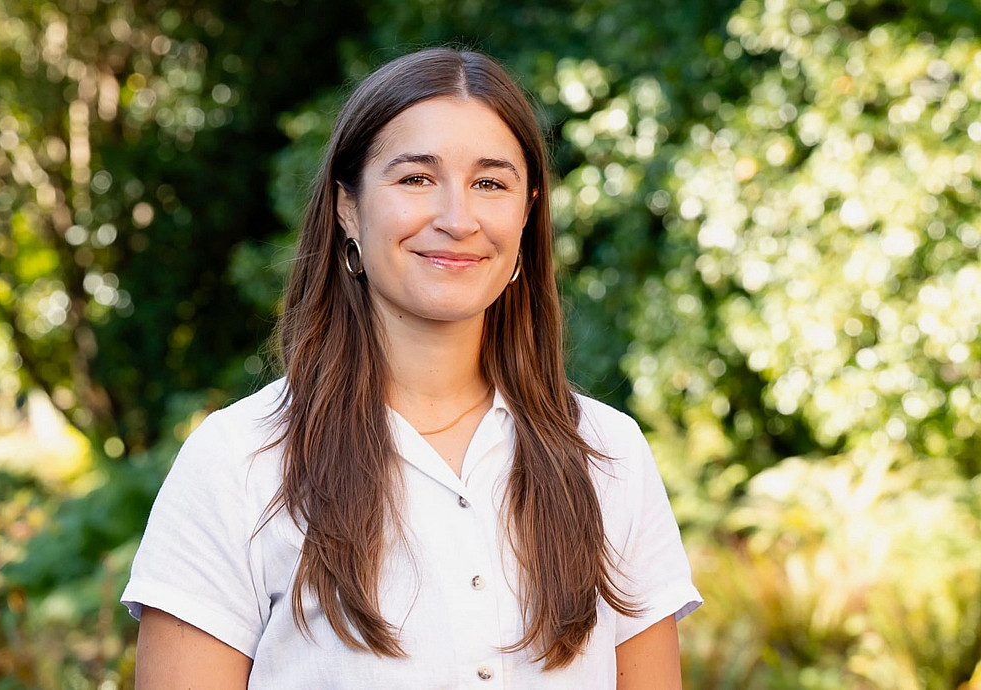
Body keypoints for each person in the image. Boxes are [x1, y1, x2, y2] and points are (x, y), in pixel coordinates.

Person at [121, 47, 702, 688]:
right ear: (348, 207)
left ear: (527, 212)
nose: (457, 220)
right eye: (416, 179)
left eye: (490, 183)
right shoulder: (240, 464)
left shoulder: (606, 454)